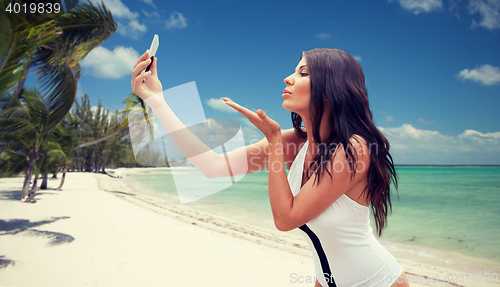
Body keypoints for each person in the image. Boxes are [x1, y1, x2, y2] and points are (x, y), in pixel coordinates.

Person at [131, 48, 410, 287]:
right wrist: (157, 100)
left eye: (303, 73)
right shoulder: (297, 143)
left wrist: (274, 141)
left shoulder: (354, 148)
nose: (288, 78)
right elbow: (212, 165)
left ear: (330, 89)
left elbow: (286, 219)